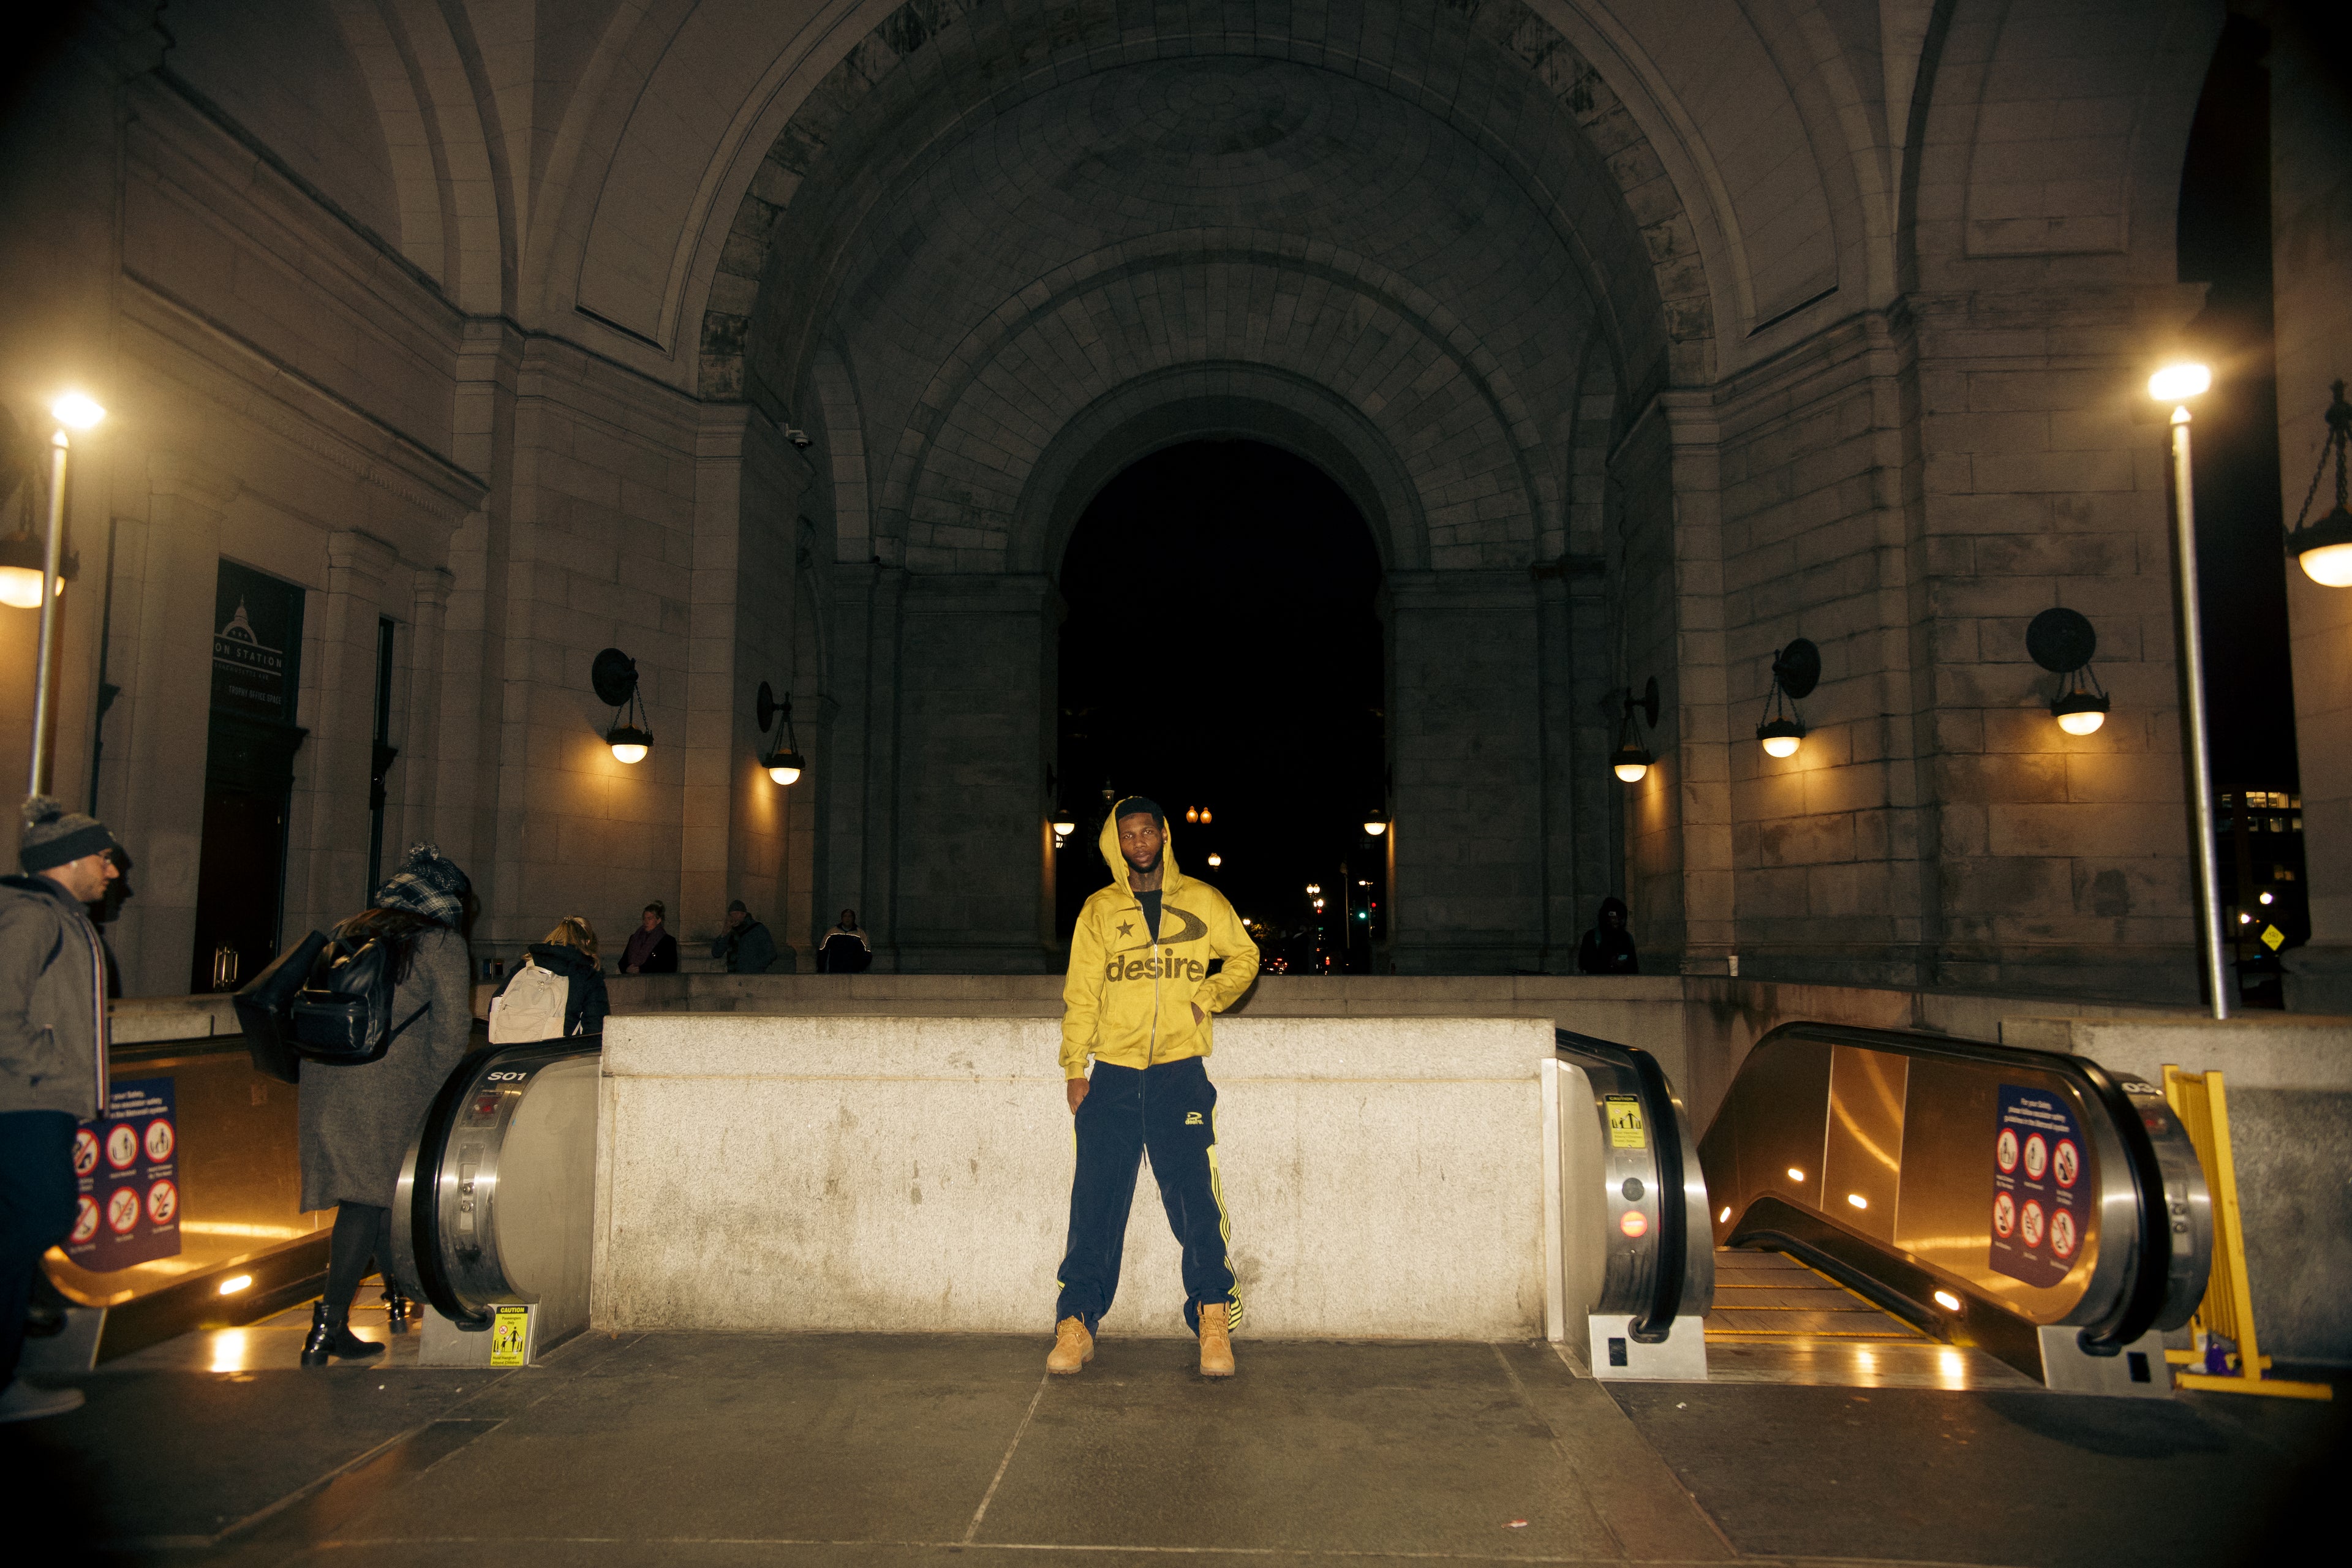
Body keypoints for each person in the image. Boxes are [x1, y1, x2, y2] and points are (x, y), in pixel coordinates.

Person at [1050, 796, 1259, 1380]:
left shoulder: (1203, 900)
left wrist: (1206, 998)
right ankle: (1076, 1323)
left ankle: (1213, 1318)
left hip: (1178, 1073)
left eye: (1147, 831)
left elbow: (1244, 957)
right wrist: (1074, 1067)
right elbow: (1082, 993)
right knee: (1095, 1203)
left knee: (1195, 1200)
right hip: (1113, 1076)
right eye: (1128, 835)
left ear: (1165, 835)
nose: (1138, 842)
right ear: (1115, 845)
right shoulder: (1099, 910)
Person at [296, 843, 474, 1366]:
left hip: (327, 1077)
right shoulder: (441, 943)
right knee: (365, 1200)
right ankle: (328, 1328)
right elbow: (451, 1033)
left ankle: (402, 1297)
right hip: (388, 1088)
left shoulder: (351, 928)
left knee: (375, 1196)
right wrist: (437, 1094)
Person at [0, 797, 122, 1422]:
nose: (112, 871)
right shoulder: (33, 917)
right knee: (38, 1217)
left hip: (34, 1099)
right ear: (69, 860)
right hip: (25, 1102)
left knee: (26, 1227)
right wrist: (58, 1070)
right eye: (103, 858)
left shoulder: (56, 917)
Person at [491, 917, 611, 1038]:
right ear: (588, 942)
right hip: (556, 1048)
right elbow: (595, 1028)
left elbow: (496, 1002)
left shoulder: (526, 964)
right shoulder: (588, 975)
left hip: (508, 1045)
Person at [710, 900, 780, 974]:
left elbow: (771, 953)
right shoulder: (730, 931)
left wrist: (755, 967)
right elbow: (716, 953)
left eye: (737, 914)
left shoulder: (758, 929)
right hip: (733, 975)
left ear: (744, 915)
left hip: (752, 975)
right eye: (732, 915)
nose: (734, 918)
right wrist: (723, 934)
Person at [1577, 896, 1640, 975]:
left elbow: (1634, 968)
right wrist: (1610, 964)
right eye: (1613, 917)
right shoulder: (1592, 936)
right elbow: (1585, 964)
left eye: (1620, 917)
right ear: (1606, 918)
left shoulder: (1627, 938)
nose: (1617, 920)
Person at [619, 902, 677, 975]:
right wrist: (627, 969)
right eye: (644, 919)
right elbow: (623, 961)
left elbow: (670, 967)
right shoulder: (634, 938)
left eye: (650, 919)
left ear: (658, 920)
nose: (646, 922)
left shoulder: (668, 941)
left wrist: (641, 969)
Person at [817, 909, 872, 974]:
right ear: (842, 918)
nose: (847, 919)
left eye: (850, 916)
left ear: (853, 918)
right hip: (835, 970)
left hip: (854, 971)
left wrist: (861, 967)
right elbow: (823, 950)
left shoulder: (860, 933)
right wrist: (821, 969)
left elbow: (867, 952)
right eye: (845, 916)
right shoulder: (832, 932)